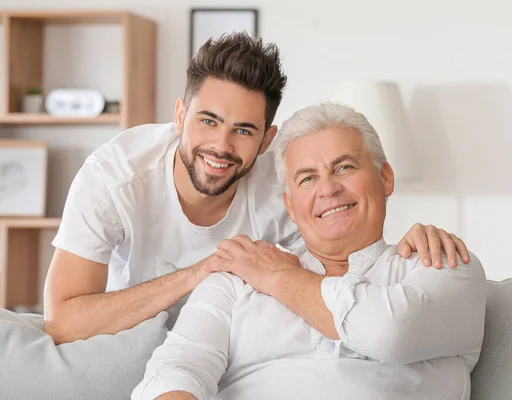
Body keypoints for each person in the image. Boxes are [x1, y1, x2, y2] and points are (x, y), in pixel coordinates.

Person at [43, 33, 470, 345]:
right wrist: (198, 273)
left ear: (266, 139)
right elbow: (62, 320)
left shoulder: (284, 189)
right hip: (128, 340)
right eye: (207, 121)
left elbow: (346, 264)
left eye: (244, 130)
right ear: (179, 115)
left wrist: (409, 246)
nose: (222, 146)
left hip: (237, 343)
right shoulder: (113, 177)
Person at [131, 103, 487, 400]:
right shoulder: (235, 280)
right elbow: (176, 370)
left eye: (344, 167)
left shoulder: (443, 266)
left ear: (385, 178)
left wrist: (281, 277)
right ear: (289, 204)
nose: (328, 189)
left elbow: (387, 333)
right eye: (307, 178)